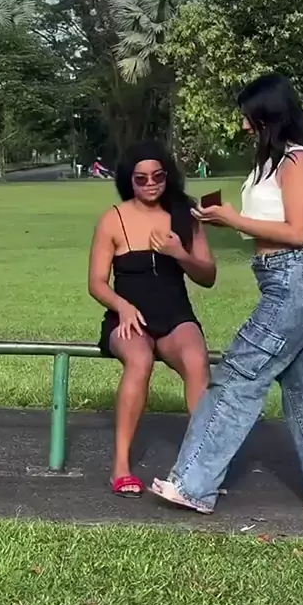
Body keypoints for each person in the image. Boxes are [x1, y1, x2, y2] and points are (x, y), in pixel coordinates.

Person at [151, 73, 303, 516]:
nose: (243, 125)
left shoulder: (298, 160)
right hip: (282, 281)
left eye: (249, 117)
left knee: (238, 376)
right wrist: (222, 218)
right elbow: (268, 226)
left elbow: (295, 232)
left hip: (295, 282)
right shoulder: (272, 163)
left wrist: (233, 220)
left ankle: (192, 484)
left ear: (269, 114)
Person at [88, 138, 216, 498]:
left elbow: (208, 275)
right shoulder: (113, 219)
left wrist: (180, 253)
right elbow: (96, 283)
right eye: (141, 178)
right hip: (128, 318)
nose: (150, 184)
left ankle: (199, 470)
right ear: (129, 179)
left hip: (175, 315)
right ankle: (121, 466)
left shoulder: (184, 214)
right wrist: (122, 307)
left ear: (167, 176)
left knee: (196, 359)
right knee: (140, 360)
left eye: (157, 176)